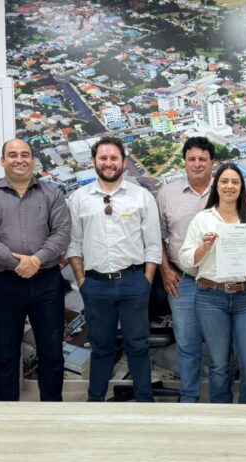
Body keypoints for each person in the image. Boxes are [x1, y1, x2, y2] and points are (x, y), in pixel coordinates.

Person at [0, 138, 71, 401]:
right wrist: (18, 263)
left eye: (25, 154)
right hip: (4, 282)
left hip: (46, 282)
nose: (19, 159)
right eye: (13, 155)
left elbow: (62, 233)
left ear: (33, 160)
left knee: (52, 352)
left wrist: (36, 260)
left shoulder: (52, 194)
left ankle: (52, 409)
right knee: (5, 353)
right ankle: (8, 411)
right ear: (2, 161)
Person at [67, 136, 161, 403]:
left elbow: (153, 245)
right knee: (101, 348)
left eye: (114, 158)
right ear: (94, 161)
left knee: (138, 346)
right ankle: (95, 404)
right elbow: (73, 244)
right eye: (103, 158)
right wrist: (82, 280)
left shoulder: (141, 196)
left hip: (133, 282)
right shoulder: (79, 198)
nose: (108, 163)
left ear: (123, 161)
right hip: (95, 285)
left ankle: (145, 403)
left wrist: (145, 281)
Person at [179, 163, 246, 403]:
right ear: (216, 186)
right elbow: (185, 259)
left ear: (242, 187)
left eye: (235, 182)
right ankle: (221, 415)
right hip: (210, 297)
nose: (230, 186)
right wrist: (204, 247)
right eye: (224, 181)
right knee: (219, 365)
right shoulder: (203, 219)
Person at [155, 137, 214, 403]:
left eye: (203, 159)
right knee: (187, 344)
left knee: (221, 346)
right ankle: (189, 398)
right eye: (192, 159)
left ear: (212, 162)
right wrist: (165, 271)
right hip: (183, 280)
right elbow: (157, 237)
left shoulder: (226, 188)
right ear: (185, 162)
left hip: (218, 281)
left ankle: (220, 399)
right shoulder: (167, 194)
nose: (197, 164)